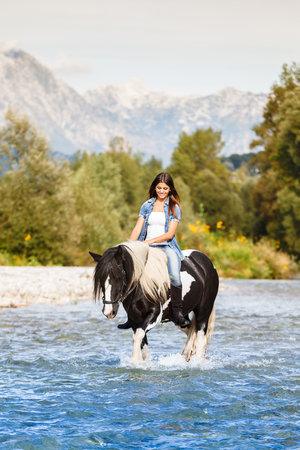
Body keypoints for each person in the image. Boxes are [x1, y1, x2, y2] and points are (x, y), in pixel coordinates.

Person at [118, 172, 190, 329]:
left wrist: (151, 241)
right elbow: (138, 227)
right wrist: (130, 246)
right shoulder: (147, 205)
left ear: (170, 189)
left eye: (165, 188)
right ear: (154, 188)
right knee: (130, 273)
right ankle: (131, 316)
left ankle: (178, 313)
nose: (162, 191)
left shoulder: (174, 207)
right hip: (145, 247)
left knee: (174, 274)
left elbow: (170, 234)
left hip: (166, 246)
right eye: (159, 188)